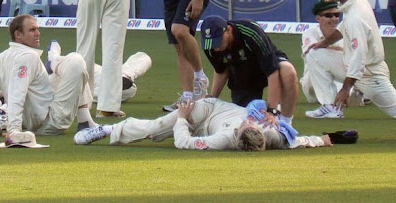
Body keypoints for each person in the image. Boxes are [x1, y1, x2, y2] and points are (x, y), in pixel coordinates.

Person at [0, 15, 96, 141]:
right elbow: (17, 94)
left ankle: (55, 61)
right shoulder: (28, 56)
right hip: (51, 123)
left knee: (68, 69)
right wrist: (14, 130)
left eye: (37, 29)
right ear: (18, 34)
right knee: (76, 61)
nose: (38, 33)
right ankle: (54, 61)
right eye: (32, 30)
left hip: (35, 119)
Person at [74, 97, 332, 150]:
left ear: (238, 136)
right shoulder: (270, 134)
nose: (248, 122)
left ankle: (106, 129)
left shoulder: (223, 140)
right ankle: (102, 130)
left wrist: (183, 119)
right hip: (207, 109)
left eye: (246, 125)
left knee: (159, 134)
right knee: (156, 128)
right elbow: (297, 141)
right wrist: (322, 139)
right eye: (252, 124)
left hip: (195, 120)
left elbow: (183, 142)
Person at [307, 0, 396, 118]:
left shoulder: (356, 16)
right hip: (352, 67)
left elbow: (359, 54)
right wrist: (324, 43)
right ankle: (330, 107)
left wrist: (345, 89)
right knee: (315, 54)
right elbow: (342, 28)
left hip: (370, 73)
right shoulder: (357, 2)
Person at [200, 15, 299, 125]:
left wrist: (271, 111)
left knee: (288, 71)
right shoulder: (210, 46)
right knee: (245, 121)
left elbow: (272, 70)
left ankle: (285, 123)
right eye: (212, 43)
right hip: (242, 73)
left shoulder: (251, 32)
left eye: (218, 41)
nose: (216, 48)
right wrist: (213, 99)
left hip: (266, 62)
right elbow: (221, 70)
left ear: (228, 30)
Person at [46, 40, 152, 104]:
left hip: (82, 71)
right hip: (79, 86)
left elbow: (54, 45)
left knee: (143, 57)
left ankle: (124, 76)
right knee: (130, 90)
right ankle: (121, 77)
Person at [301, 0, 347, 118]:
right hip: (312, 82)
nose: (334, 19)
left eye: (337, 15)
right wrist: (333, 48)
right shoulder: (309, 33)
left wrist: (325, 47)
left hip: (338, 78)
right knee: (314, 54)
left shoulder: (344, 32)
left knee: (345, 90)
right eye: (328, 15)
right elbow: (310, 52)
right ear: (318, 18)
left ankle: (331, 106)